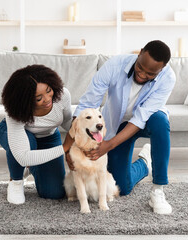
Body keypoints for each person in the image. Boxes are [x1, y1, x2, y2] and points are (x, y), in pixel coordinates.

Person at [65, 40, 176, 214]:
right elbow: (88, 103)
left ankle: (158, 190)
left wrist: (108, 146)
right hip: (118, 125)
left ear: (160, 70)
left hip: (148, 121)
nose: (142, 75)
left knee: (161, 122)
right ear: (139, 54)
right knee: (121, 188)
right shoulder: (115, 65)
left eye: (150, 74)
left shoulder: (168, 78)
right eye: (140, 68)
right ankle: (145, 163)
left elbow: (141, 118)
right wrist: (69, 146)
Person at [0, 64, 73, 205]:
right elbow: (23, 156)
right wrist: (64, 147)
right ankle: (16, 181)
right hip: (16, 134)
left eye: (48, 91)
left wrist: (80, 134)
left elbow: (67, 120)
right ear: (25, 101)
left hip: (48, 136)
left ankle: (33, 166)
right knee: (28, 147)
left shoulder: (62, 95)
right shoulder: (16, 111)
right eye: (39, 98)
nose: (47, 99)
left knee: (54, 193)